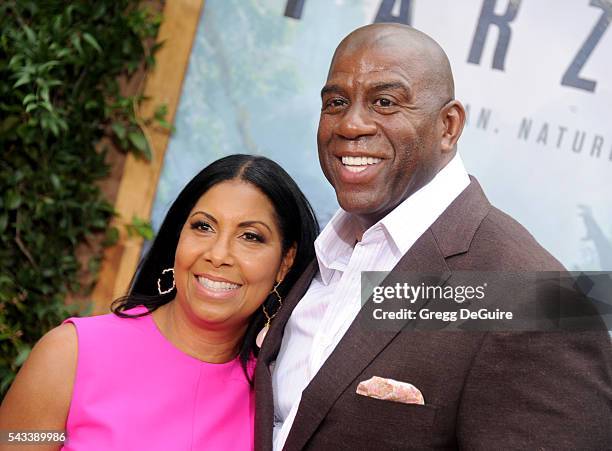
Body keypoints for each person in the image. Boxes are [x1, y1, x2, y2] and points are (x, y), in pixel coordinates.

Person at [255, 24, 612, 450]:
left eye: (385, 102)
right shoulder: (319, 256)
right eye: (336, 102)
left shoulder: (533, 298)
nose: (351, 124)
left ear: (448, 125)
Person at [0, 154, 319, 450]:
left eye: (250, 236)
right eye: (203, 226)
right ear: (178, 236)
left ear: (284, 263)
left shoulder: (277, 395)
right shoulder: (71, 354)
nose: (218, 255)